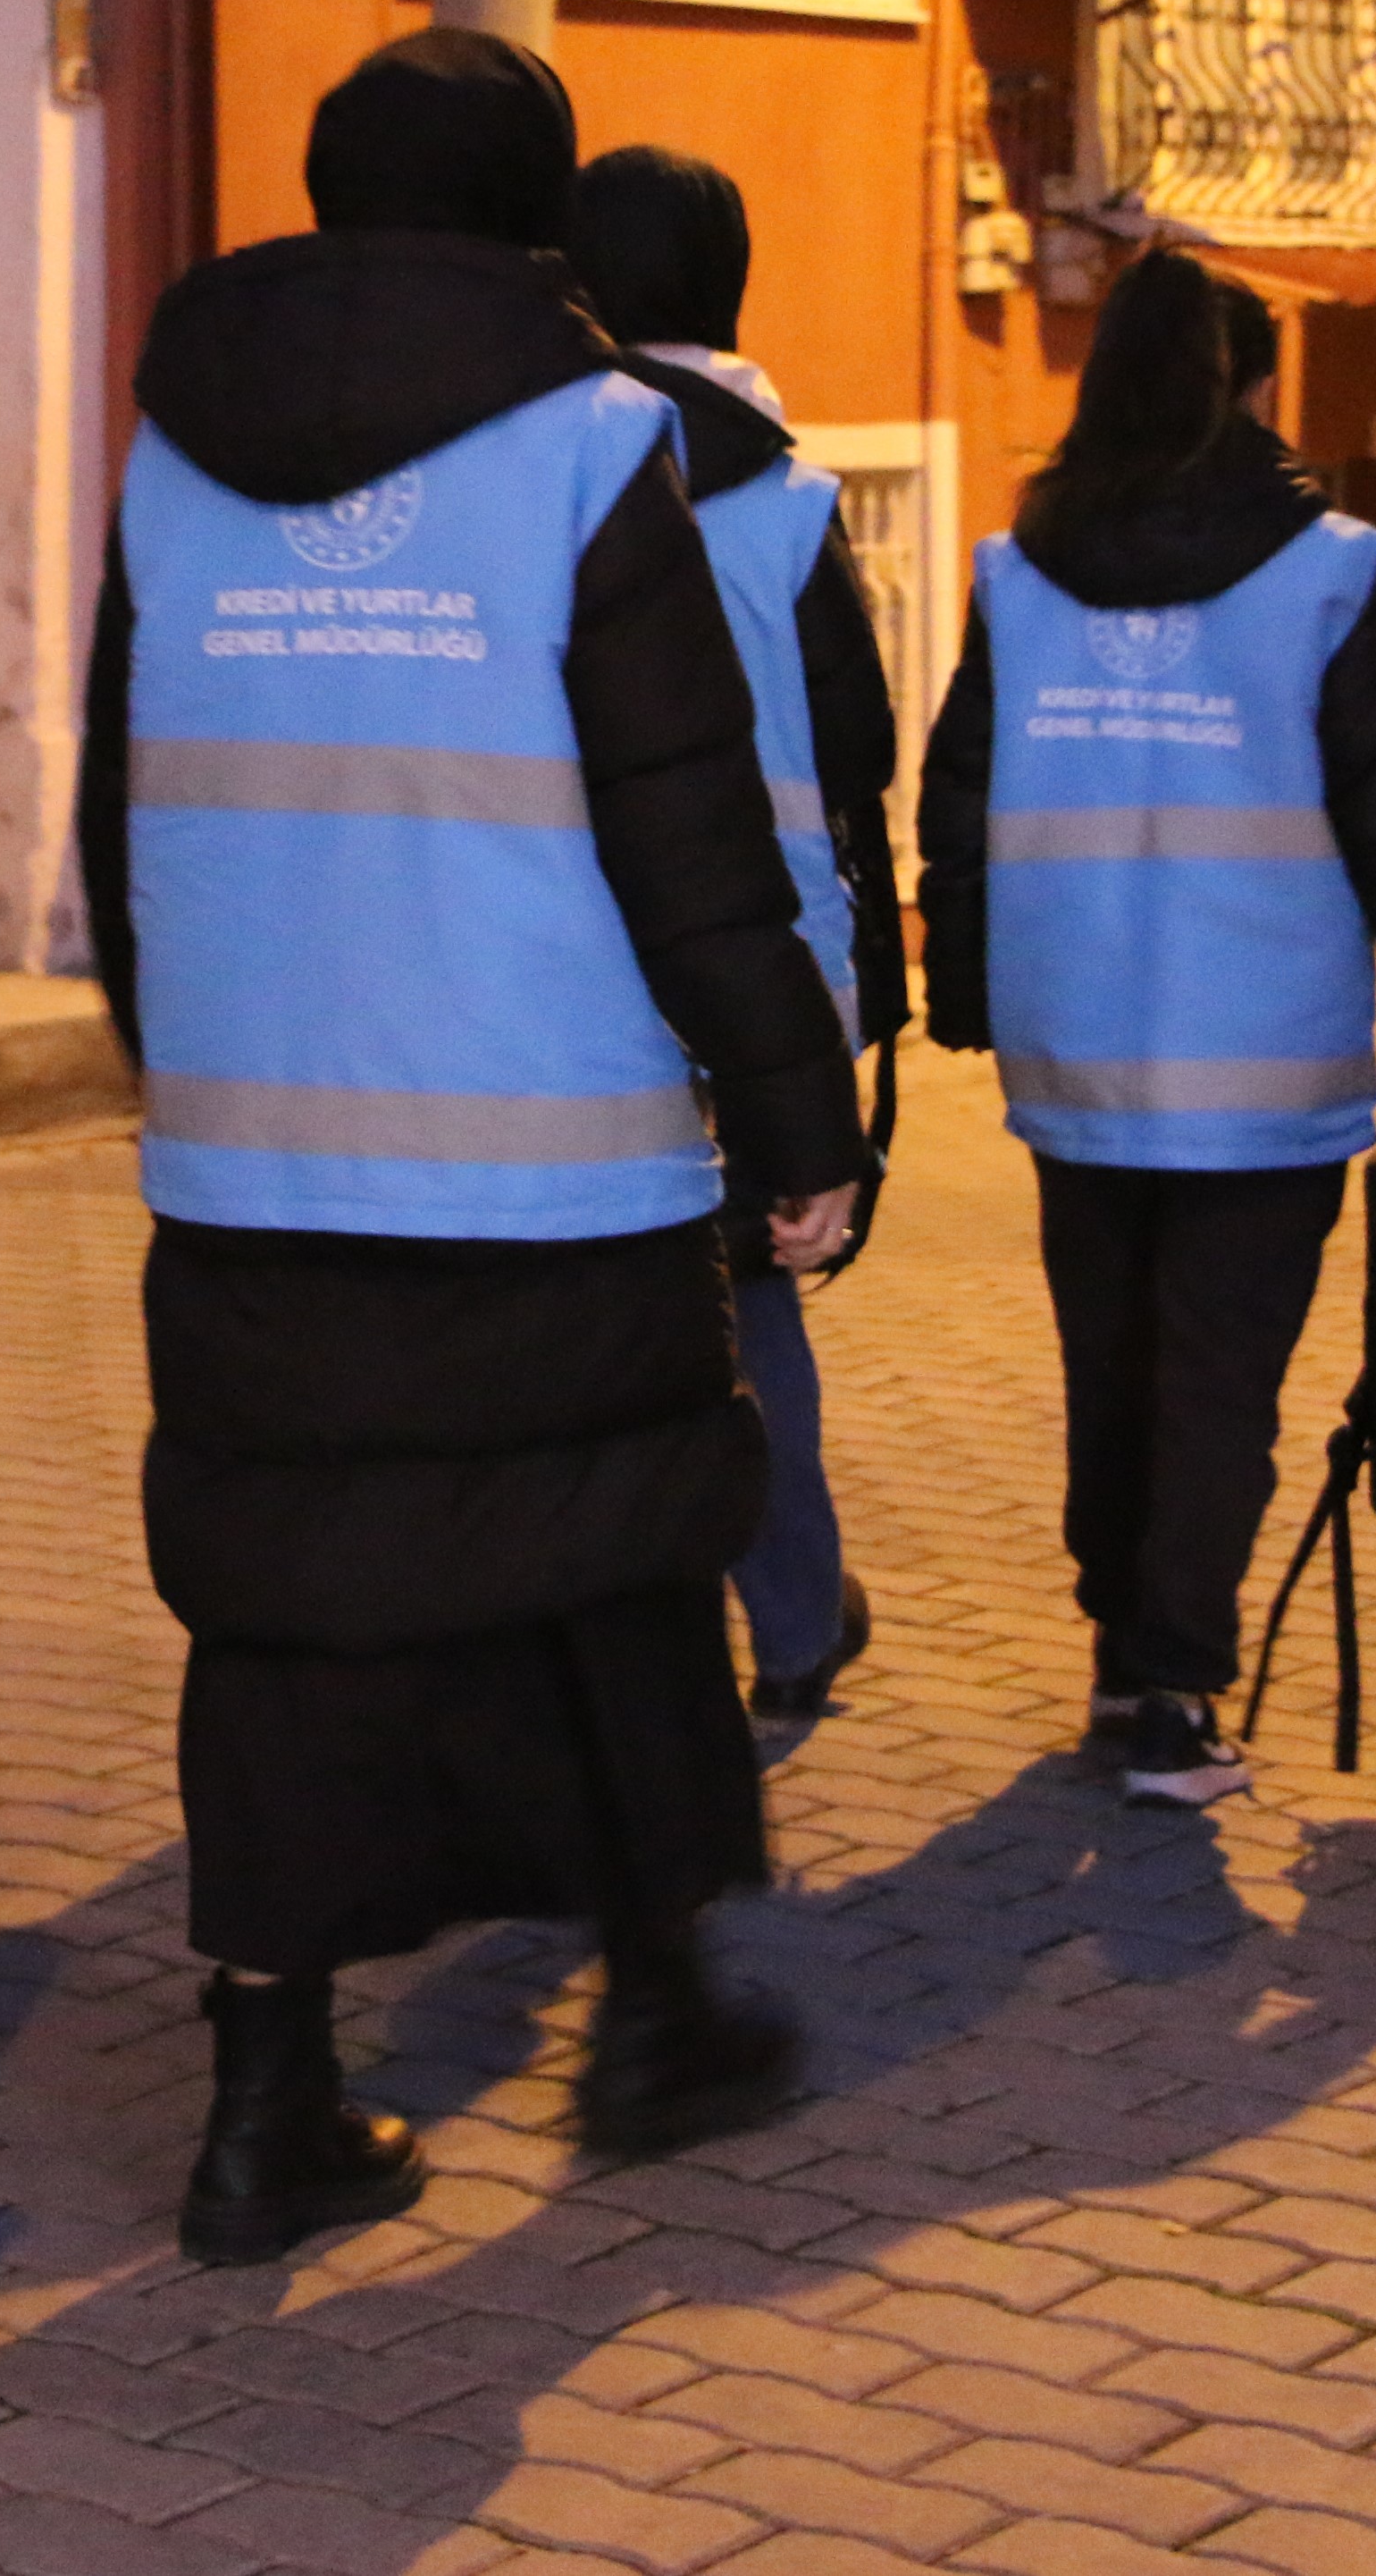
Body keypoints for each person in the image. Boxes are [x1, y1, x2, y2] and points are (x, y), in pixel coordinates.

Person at [80, 31, 876, 2263]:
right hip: (555, 1163)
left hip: (257, 1166)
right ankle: (662, 2014)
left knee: (283, 1615)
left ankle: (264, 2103)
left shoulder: (171, 458)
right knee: (613, 1578)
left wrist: (195, 1057)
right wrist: (795, 1114)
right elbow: (687, 823)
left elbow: (117, 814)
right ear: (538, 211)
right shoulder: (596, 439)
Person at [914, 248, 1376, 1808]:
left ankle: (1122, 1655)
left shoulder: (1014, 570)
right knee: (1215, 1383)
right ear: (1250, 386)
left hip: (1075, 1051)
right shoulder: (1330, 569)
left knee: (1109, 1369)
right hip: (1261, 1061)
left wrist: (964, 990)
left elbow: (960, 794)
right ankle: (1175, 1693)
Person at [565, 145, 904, 1724]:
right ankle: (792, 1621)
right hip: (758, 970)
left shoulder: (538, 473)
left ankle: (609, 1643)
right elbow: (858, 754)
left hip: (573, 960)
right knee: (747, 1306)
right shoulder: (783, 500)